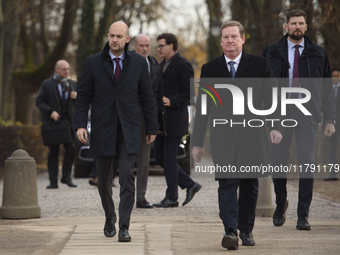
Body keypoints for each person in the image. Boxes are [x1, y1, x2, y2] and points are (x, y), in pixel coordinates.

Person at [192, 21, 283, 250]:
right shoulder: (210, 69)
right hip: (223, 137)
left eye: (234, 36)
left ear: (243, 39)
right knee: (227, 183)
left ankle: (246, 230)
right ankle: (230, 231)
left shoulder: (260, 65)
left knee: (250, 184)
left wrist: (274, 126)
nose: (229, 41)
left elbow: (272, 98)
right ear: (221, 41)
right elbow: (203, 108)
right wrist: (197, 142)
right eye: (225, 37)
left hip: (252, 136)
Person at [75, 21, 158, 242]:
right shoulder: (93, 62)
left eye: (119, 36)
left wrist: (152, 126)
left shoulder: (139, 63)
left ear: (127, 39)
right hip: (103, 128)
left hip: (130, 129)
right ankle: (110, 217)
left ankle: (124, 226)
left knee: (127, 176)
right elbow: (83, 95)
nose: (114, 40)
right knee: (103, 181)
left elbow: (148, 98)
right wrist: (80, 124)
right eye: (111, 35)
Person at [262, 9, 336, 230]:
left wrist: (330, 119)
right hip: (279, 113)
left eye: (300, 23)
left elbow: (327, 90)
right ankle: (280, 203)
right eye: (293, 23)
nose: (297, 26)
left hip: (307, 113)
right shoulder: (271, 52)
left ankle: (303, 214)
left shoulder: (318, 53)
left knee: (307, 162)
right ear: (286, 27)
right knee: (278, 161)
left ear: (306, 27)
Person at [152, 33, 201, 208]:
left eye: (161, 46)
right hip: (161, 120)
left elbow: (190, 93)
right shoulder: (162, 64)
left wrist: (171, 101)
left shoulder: (183, 65)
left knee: (170, 159)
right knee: (159, 156)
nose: (158, 49)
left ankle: (172, 197)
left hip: (175, 120)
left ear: (171, 46)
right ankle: (189, 184)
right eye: (158, 46)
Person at [36, 60, 78, 189]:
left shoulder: (72, 84)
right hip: (53, 123)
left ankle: (66, 177)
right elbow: (39, 101)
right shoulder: (47, 84)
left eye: (68, 69)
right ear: (56, 69)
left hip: (68, 123)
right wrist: (50, 112)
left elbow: (81, 104)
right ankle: (53, 181)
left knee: (71, 147)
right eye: (64, 69)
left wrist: (77, 97)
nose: (67, 71)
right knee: (53, 151)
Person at [134, 34, 164, 208]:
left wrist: (157, 122)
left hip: (147, 118)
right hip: (129, 118)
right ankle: (128, 195)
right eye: (141, 45)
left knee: (144, 161)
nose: (144, 49)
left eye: (147, 45)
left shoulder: (154, 64)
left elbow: (158, 95)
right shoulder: (127, 61)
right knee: (127, 160)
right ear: (135, 46)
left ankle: (141, 197)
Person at [324, 69, 340, 181]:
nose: (335, 77)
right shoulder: (327, 90)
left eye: (337, 75)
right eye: (333, 75)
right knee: (332, 149)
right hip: (331, 124)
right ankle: (333, 173)